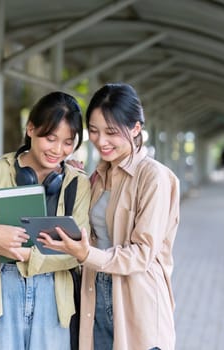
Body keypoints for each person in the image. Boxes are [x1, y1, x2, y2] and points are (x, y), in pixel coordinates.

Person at [38, 83, 180, 350]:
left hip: (138, 299)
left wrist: (86, 255)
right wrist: (75, 182)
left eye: (111, 132)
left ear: (136, 128)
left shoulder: (154, 177)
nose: (101, 141)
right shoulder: (96, 177)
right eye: (93, 131)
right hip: (95, 290)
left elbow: (142, 253)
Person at [0, 91, 91, 350]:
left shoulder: (78, 183)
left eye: (67, 142)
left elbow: (79, 253)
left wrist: (31, 256)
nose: (58, 150)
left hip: (53, 296)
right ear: (31, 128)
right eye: (50, 139)